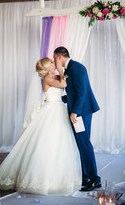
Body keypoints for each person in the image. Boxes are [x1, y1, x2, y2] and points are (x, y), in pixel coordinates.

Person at [0, 57, 82, 195]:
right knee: (46, 142)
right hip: (51, 110)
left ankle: (59, 177)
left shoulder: (54, 76)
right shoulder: (47, 79)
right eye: (52, 62)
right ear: (47, 67)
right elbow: (64, 83)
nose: (54, 63)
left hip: (58, 109)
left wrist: (62, 70)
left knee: (60, 142)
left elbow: (66, 80)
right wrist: (61, 69)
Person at [53, 46, 101, 192]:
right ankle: (85, 177)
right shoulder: (69, 70)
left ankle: (94, 180)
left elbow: (82, 92)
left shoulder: (77, 68)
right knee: (80, 144)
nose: (54, 61)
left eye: (54, 58)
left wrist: (75, 112)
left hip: (81, 112)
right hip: (77, 111)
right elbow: (73, 93)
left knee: (84, 144)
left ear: (60, 57)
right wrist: (57, 99)